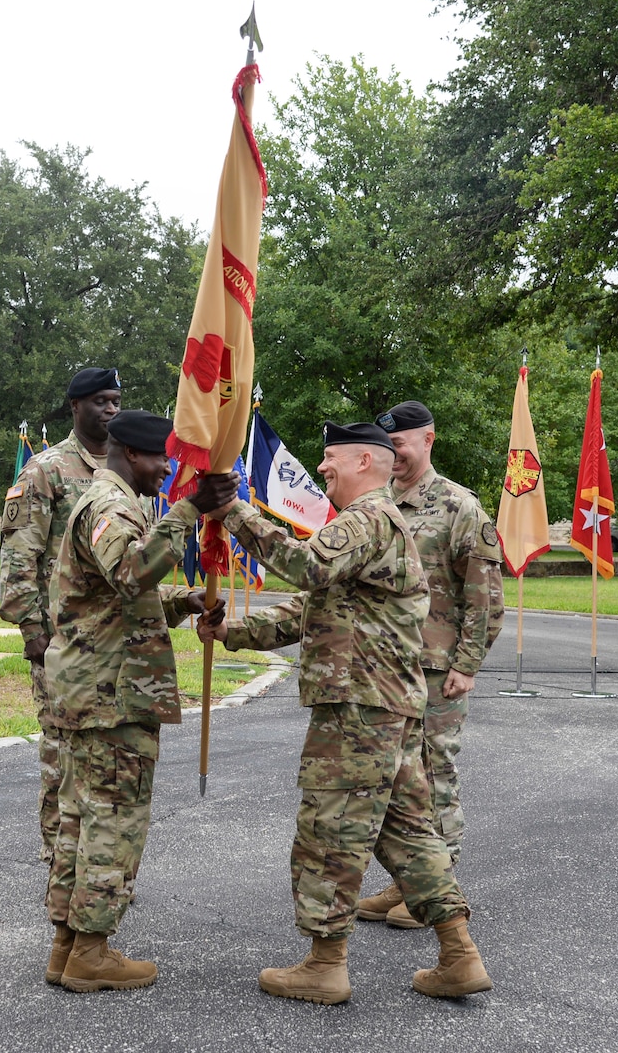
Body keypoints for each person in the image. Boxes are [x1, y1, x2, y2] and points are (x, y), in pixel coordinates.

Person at [197, 421, 492, 1004]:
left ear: (365, 461)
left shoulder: (369, 519)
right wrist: (231, 630)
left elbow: (304, 567)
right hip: (386, 705)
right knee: (406, 831)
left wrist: (232, 511)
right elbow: (310, 607)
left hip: (359, 708)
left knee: (330, 828)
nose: (322, 468)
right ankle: (460, 955)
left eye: (331, 458)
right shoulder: (370, 528)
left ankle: (324, 964)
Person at [41, 409, 236, 993]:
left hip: (96, 686)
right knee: (114, 820)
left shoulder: (117, 500)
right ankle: (92, 954)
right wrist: (190, 510)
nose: (167, 471)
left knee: (80, 816)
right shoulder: (110, 504)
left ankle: (67, 946)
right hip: (111, 694)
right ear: (130, 454)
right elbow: (129, 572)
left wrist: (183, 603)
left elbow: (113, 596)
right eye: (161, 460)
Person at [357, 400, 505, 928]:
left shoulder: (459, 507)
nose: (392, 455)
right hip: (386, 667)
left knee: (434, 774)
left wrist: (467, 664)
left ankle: (441, 897)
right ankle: (409, 881)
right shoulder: (378, 504)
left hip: (438, 668)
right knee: (399, 780)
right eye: (386, 446)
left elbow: (485, 596)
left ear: (428, 441)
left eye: (399, 445)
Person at [0, 365, 122, 864]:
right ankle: (62, 859)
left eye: (116, 401)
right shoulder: (46, 470)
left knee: (107, 755)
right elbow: (19, 555)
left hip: (115, 642)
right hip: (61, 641)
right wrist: (31, 627)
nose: (111, 410)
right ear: (76, 407)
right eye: (100, 401)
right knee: (62, 754)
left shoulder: (124, 471)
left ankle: (99, 862)